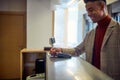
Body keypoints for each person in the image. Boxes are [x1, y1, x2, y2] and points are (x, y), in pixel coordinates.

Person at [50, 0, 120, 79]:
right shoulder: (90, 34)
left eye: (91, 10)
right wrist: (60, 50)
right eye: (87, 11)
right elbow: (77, 51)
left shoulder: (118, 30)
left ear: (102, 7)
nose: (89, 14)